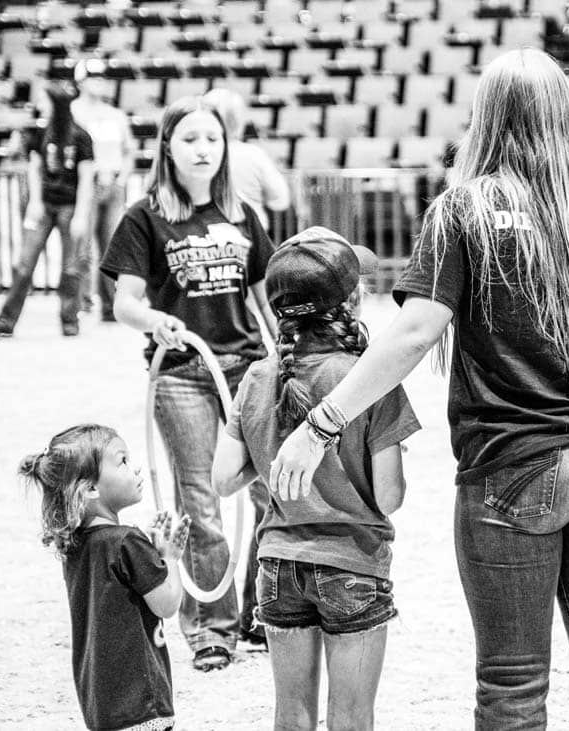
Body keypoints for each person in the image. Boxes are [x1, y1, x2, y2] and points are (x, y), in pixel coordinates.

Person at [268, 49, 569, 730]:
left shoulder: (463, 212)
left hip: (515, 466)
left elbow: (414, 335)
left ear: (488, 119)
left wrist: (321, 422)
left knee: (512, 680)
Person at [212, 225, 420, 731]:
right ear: (352, 299)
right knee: (351, 717)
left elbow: (223, 479)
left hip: (279, 564)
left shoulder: (260, 377)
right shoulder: (368, 379)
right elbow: (389, 497)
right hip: (352, 562)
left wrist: (271, 458)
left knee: (292, 714)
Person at [100, 95, 278, 672]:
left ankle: (263, 614)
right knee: (201, 503)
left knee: (269, 494)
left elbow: (264, 299)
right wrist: (155, 321)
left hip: (246, 370)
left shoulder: (244, 215)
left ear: (226, 147)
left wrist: (289, 357)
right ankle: (211, 628)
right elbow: (124, 301)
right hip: (180, 375)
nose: (204, 149)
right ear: (168, 149)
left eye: (213, 139)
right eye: (190, 139)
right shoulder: (144, 217)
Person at [19, 424, 191, 731]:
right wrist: (171, 558)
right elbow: (166, 604)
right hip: (141, 702)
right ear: (90, 489)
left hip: (100, 701)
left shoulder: (76, 545)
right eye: (122, 461)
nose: (134, 467)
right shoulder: (126, 541)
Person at [203, 86, 292, 648]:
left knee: (224, 481)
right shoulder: (255, 159)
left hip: (236, 328)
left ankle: (228, 617)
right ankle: (256, 612)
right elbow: (281, 199)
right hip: (247, 328)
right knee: (262, 479)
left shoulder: (213, 186)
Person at [0, 82, 95, 337]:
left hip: (69, 206)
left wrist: (80, 214)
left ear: (56, 104)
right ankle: (6, 321)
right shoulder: (40, 133)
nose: (39, 106)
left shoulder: (81, 136)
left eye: (44, 100)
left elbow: (86, 178)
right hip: (44, 205)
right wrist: (34, 202)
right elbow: (34, 168)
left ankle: (69, 321)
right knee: (24, 264)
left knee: (71, 267)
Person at [72, 57, 137, 322]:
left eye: (101, 78)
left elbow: (129, 151)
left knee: (112, 248)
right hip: (87, 185)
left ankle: (110, 306)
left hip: (113, 185)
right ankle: (83, 302)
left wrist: (122, 178)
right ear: (81, 82)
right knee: (83, 248)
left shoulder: (115, 115)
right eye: (93, 78)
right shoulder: (73, 112)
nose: (99, 83)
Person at [203, 88, 291, 231]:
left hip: (206, 237)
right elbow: (280, 200)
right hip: (250, 235)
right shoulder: (253, 154)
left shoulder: (194, 154)